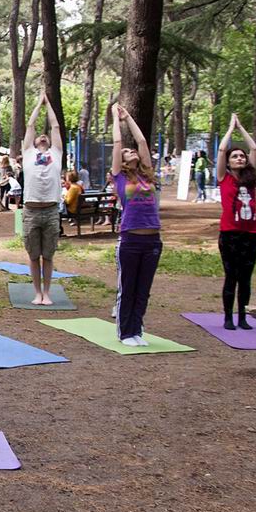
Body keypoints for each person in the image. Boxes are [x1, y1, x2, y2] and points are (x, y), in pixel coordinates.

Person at [111, 103, 162, 347]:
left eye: (134, 151)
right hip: (130, 240)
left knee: (144, 289)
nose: (131, 151)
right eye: (127, 152)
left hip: (152, 240)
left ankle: (137, 329)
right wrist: (115, 119)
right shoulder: (119, 177)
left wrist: (129, 117)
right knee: (128, 288)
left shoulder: (147, 175)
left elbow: (142, 142)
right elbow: (118, 144)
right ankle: (124, 332)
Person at [216, 113, 256, 330]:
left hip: (251, 233)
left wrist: (242, 127)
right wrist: (229, 129)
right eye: (235, 157)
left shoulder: (250, 179)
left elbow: (254, 149)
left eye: (241, 157)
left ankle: (243, 315)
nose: (239, 159)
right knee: (231, 276)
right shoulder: (224, 178)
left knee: (246, 277)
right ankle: (227, 317)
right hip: (230, 233)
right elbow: (221, 151)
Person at [20, 90, 64, 305]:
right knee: (32, 255)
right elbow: (30, 127)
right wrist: (38, 104)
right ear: (35, 142)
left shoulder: (56, 153)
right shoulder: (28, 152)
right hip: (31, 211)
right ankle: (37, 293)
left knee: (48, 256)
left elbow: (55, 127)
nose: (43, 136)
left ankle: (47, 293)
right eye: (40, 136)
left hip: (51, 210)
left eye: (45, 136)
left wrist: (49, 106)